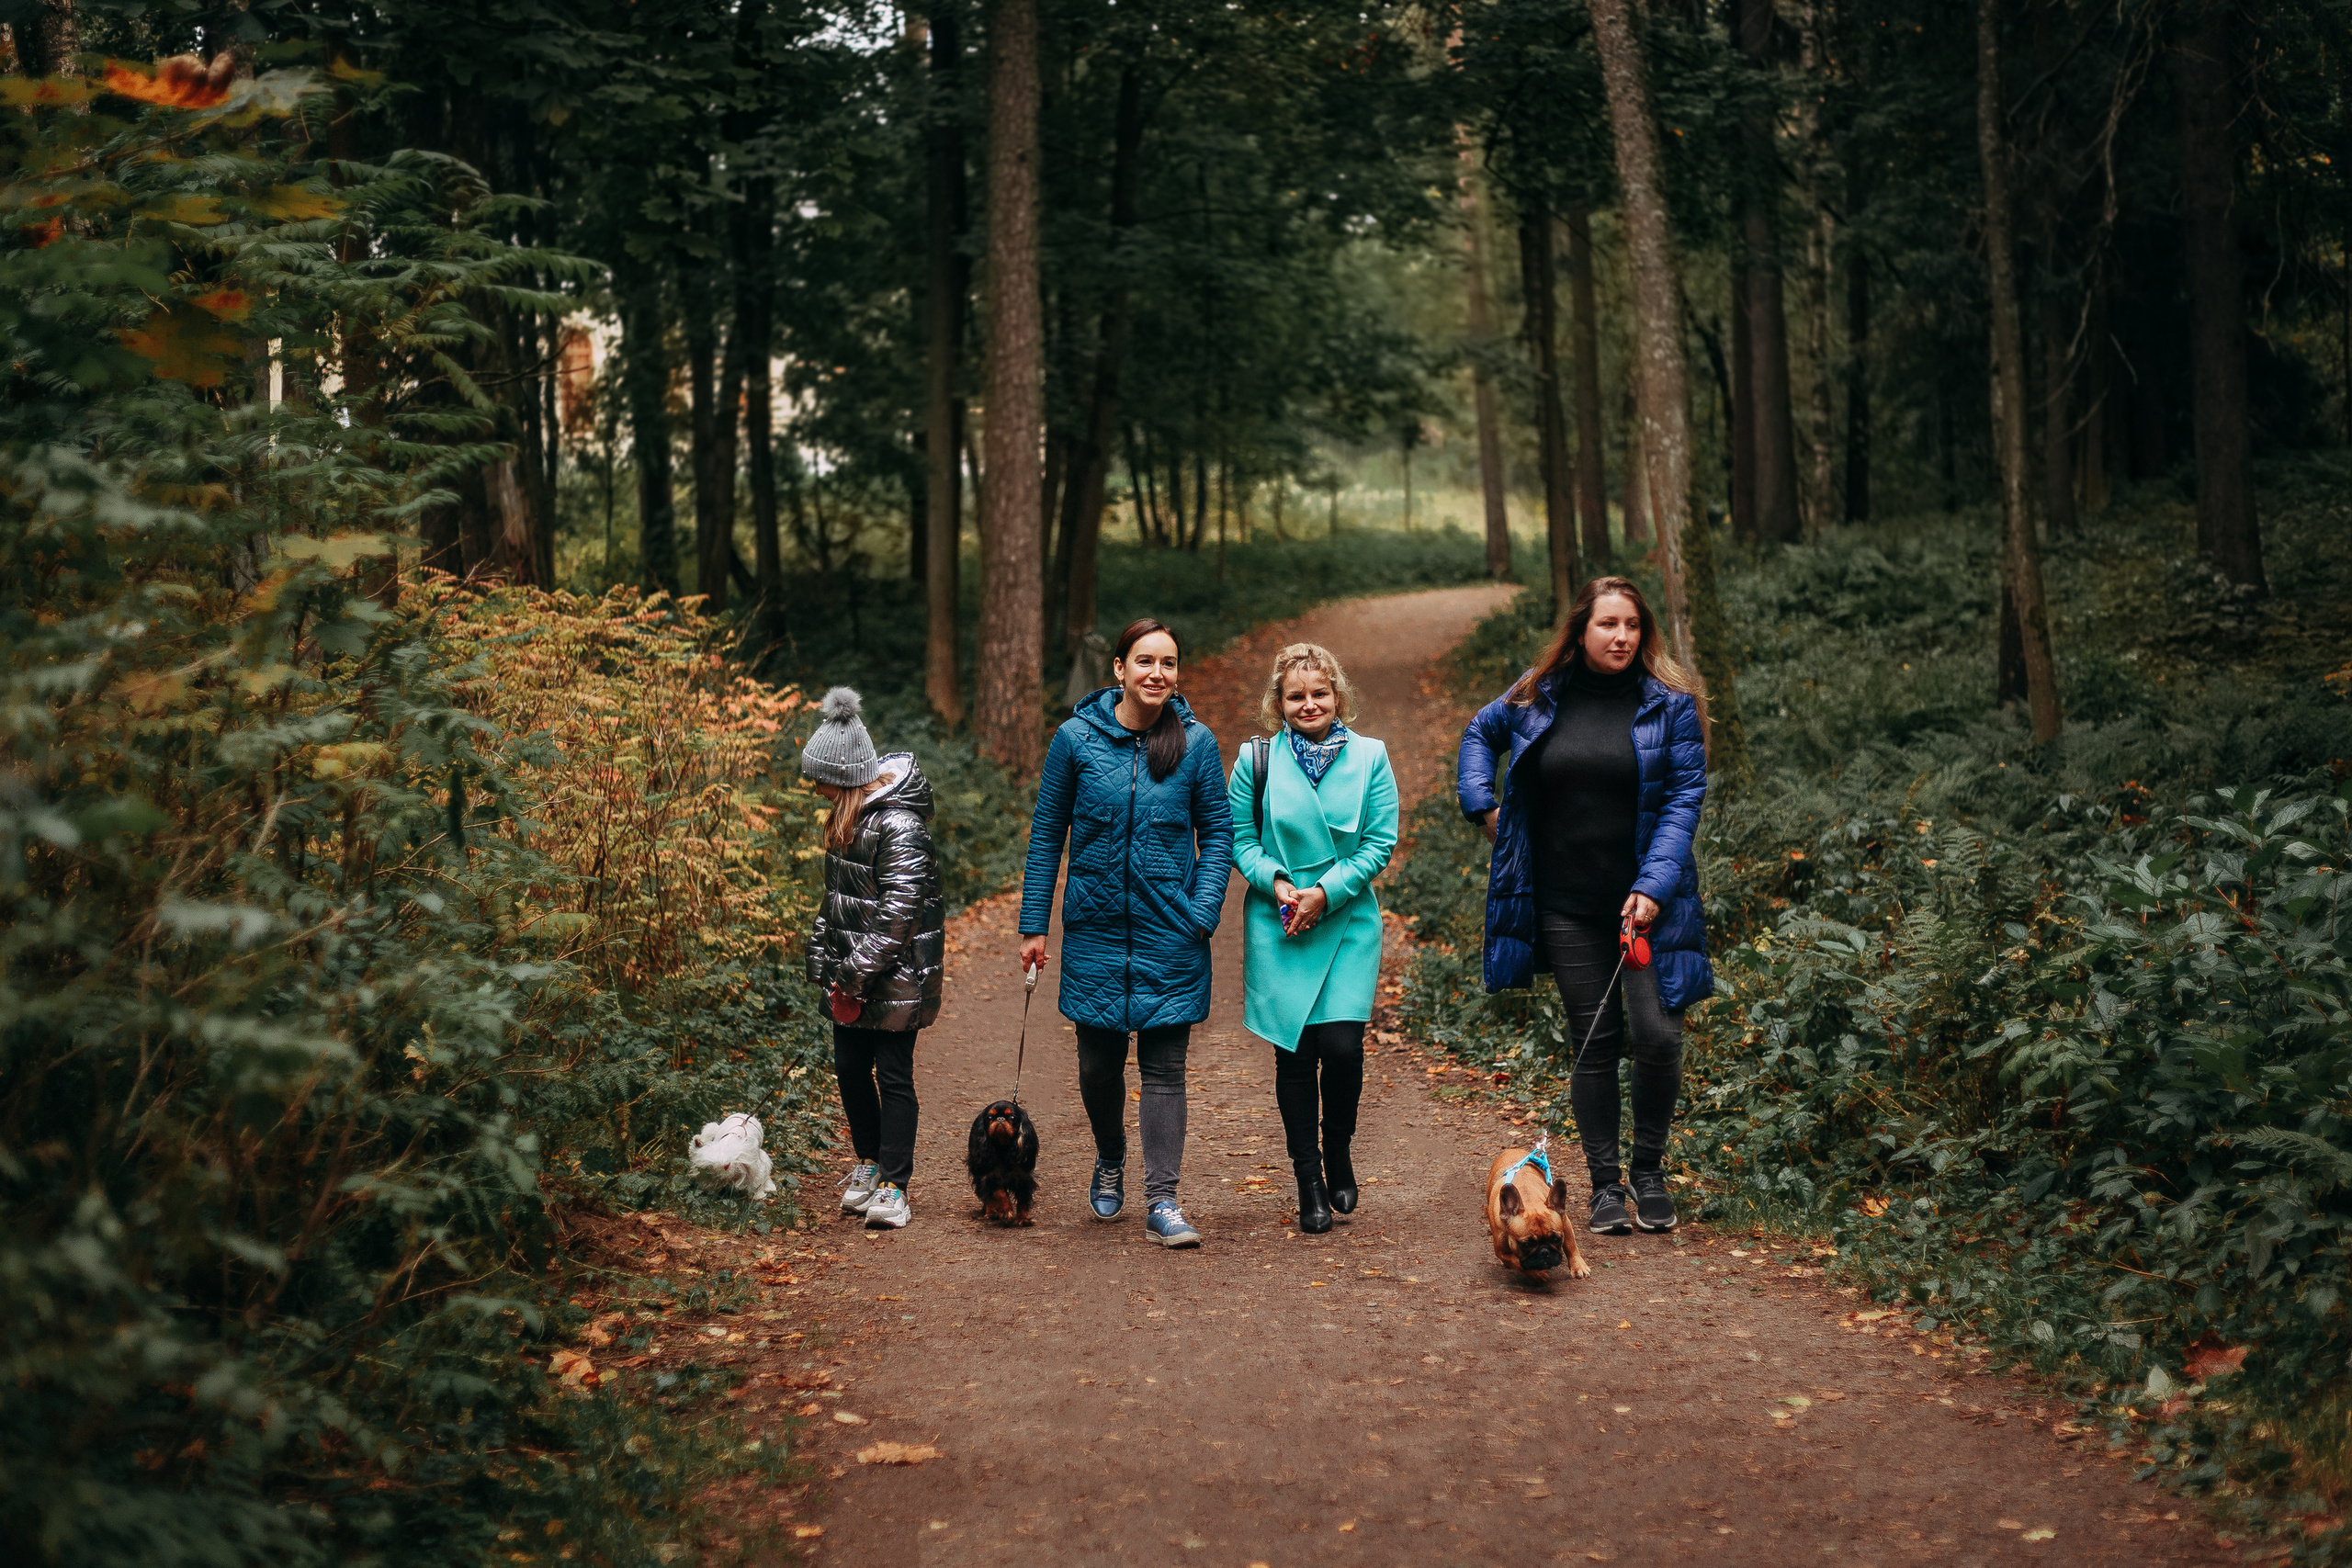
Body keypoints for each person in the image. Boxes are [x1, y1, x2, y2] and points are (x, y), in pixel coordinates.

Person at [1455, 576, 1713, 1237]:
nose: (1621, 636)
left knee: (1657, 1035)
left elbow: (1684, 799)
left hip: (1646, 905)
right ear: (1580, 630)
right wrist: (1483, 804)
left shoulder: (1671, 705)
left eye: (1631, 624)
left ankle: (1649, 1172)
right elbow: (1479, 733)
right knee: (1593, 1041)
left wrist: (1652, 887)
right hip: (1565, 903)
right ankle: (1605, 1186)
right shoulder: (1538, 691)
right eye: (1607, 624)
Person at [1019, 618, 1233, 1248]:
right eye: (1145, 660)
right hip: (1095, 929)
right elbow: (1046, 835)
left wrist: (1202, 909)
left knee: (1166, 1069)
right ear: (1118, 668)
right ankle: (1109, 1152)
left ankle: (1163, 1199)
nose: (1157, 674)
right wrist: (1034, 924)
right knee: (1097, 1066)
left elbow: (1217, 832)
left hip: (1173, 931)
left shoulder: (1194, 743)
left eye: (1169, 663)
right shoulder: (1075, 739)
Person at [1227, 643, 1398, 1235]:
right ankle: (1308, 1183)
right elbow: (1240, 840)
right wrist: (1277, 884)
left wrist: (1326, 892)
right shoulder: (1256, 761)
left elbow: (1380, 841)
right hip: (1279, 923)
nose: (1309, 704)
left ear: (1338, 696)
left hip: (1346, 919)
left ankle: (1339, 1150)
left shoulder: (1371, 757)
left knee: (1344, 1050)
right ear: (1278, 702)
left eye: (1320, 693)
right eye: (1296, 695)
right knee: (1295, 1057)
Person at [801, 687, 944, 1231]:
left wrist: (853, 973)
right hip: (853, 977)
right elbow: (835, 902)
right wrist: (822, 956)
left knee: (894, 1074)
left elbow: (898, 913)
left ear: (841, 776)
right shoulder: (845, 822)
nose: (812, 787)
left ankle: (894, 1184)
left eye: (818, 777)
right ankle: (867, 1163)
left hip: (897, 975)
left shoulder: (898, 825)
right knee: (848, 1068)